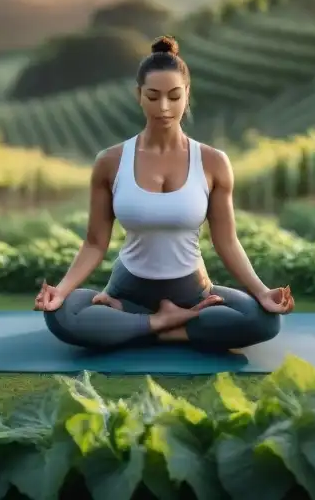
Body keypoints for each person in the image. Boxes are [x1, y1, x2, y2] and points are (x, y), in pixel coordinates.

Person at [34, 35, 294, 351]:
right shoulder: (110, 161)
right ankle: (162, 322)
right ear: (138, 96)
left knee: (265, 320)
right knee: (61, 314)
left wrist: (262, 291)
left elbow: (226, 241)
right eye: (153, 96)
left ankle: (148, 328)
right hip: (127, 291)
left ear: (187, 95)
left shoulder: (212, 162)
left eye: (174, 96)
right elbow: (95, 242)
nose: (164, 107)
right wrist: (60, 291)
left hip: (193, 292)